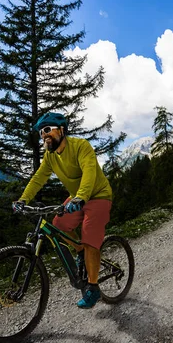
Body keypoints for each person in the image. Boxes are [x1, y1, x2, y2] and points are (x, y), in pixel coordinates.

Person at [13, 112, 112, 309]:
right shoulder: (50, 156)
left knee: (89, 235)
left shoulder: (80, 146)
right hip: (77, 197)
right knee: (59, 224)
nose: (44, 135)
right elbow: (38, 178)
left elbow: (89, 172)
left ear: (62, 130)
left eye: (48, 130)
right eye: (42, 132)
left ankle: (93, 288)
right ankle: (80, 251)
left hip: (98, 195)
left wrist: (81, 196)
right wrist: (23, 199)